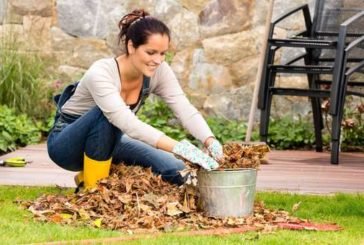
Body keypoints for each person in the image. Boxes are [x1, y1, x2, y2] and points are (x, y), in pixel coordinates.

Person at [47, 9, 223, 190]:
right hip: (67, 145)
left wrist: (210, 140)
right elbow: (127, 122)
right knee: (106, 116)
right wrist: (182, 149)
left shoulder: (158, 71)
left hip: (112, 140)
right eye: (151, 52)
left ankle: (94, 174)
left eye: (163, 53)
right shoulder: (101, 72)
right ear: (131, 46)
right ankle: (93, 191)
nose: (158, 60)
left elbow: (183, 108)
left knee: (176, 170)